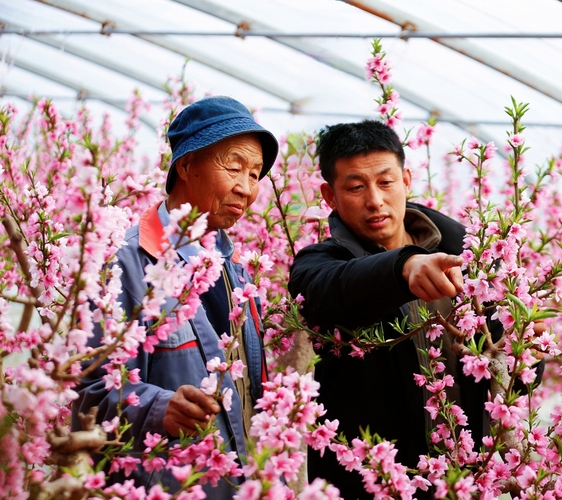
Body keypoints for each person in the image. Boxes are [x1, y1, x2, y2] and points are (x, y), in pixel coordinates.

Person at [73, 96, 279, 497]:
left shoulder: (235, 269)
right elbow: (88, 393)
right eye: (234, 167)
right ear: (185, 166)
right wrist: (156, 409)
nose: (246, 188)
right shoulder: (124, 265)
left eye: (255, 174)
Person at [288, 120, 496, 498]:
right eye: (355, 187)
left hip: (469, 479)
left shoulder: (472, 254)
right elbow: (329, 292)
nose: (375, 200)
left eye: (386, 182)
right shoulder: (317, 265)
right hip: (374, 482)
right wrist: (404, 267)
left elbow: (510, 357)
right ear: (329, 196)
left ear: (407, 179)